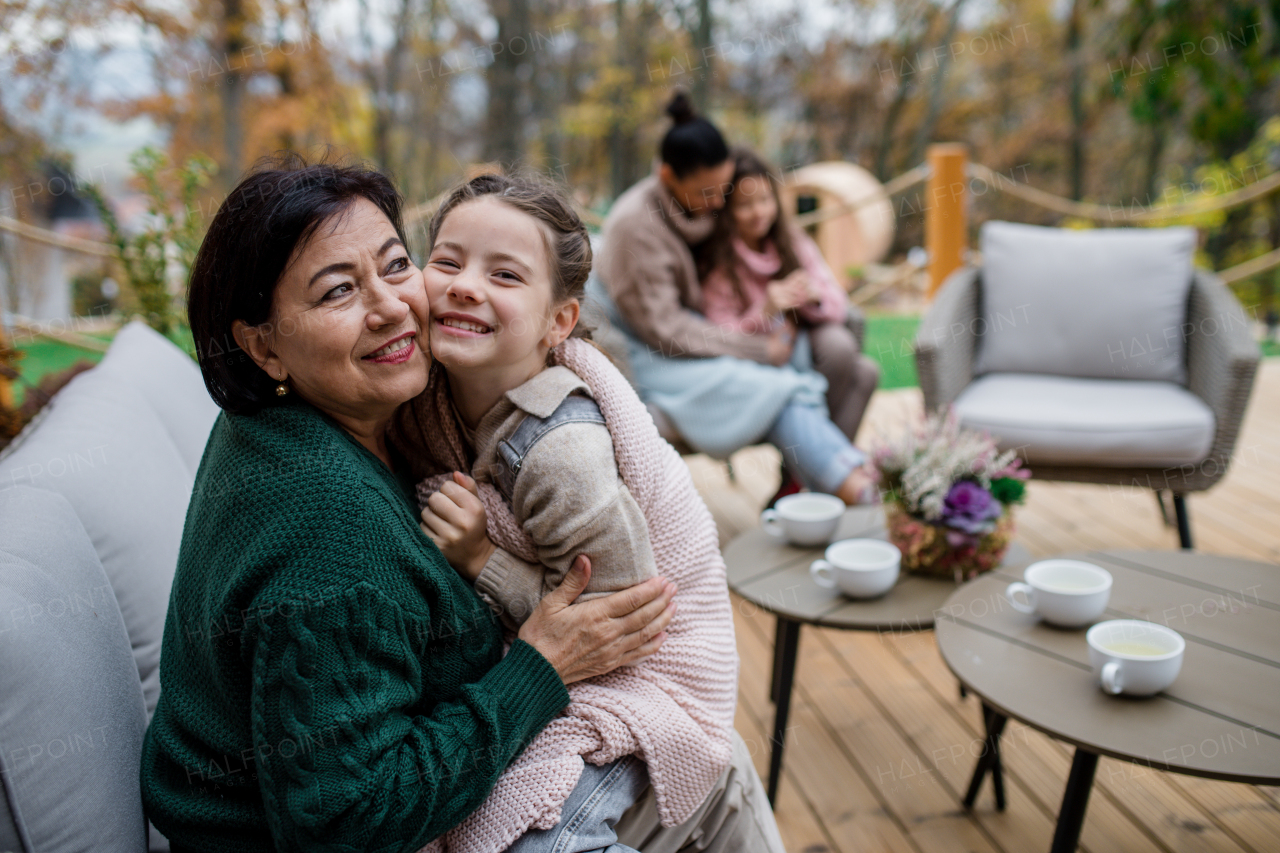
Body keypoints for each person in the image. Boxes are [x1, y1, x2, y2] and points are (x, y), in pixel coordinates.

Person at [139, 156, 676, 851]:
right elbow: (345, 820)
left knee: (709, 765)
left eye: (396, 266)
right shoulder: (327, 521)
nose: (391, 306)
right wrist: (537, 667)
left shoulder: (302, 417)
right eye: (337, 292)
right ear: (263, 346)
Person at [392, 173, 777, 853]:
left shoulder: (557, 451)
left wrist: (484, 559)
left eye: (505, 274)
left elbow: (616, 618)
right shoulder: (435, 397)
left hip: (637, 677)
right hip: (570, 663)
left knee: (532, 841)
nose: (463, 284)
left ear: (558, 321)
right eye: (447, 260)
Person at [596, 91, 875, 504]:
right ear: (669, 177)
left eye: (722, 191)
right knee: (777, 389)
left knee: (857, 369)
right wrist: (759, 346)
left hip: (715, 337)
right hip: (653, 358)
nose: (718, 206)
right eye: (708, 193)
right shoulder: (638, 227)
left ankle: (810, 490)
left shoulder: (701, 209)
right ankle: (853, 491)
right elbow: (665, 331)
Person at [698, 147, 880, 456]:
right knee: (862, 374)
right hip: (757, 358)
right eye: (745, 205)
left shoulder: (792, 241)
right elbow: (720, 335)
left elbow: (837, 302)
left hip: (802, 343)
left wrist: (812, 297)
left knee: (848, 352)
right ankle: (819, 470)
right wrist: (764, 312)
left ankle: (803, 474)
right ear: (726, 209)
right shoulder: (720, 262)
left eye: (765, 200)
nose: (759, 213)